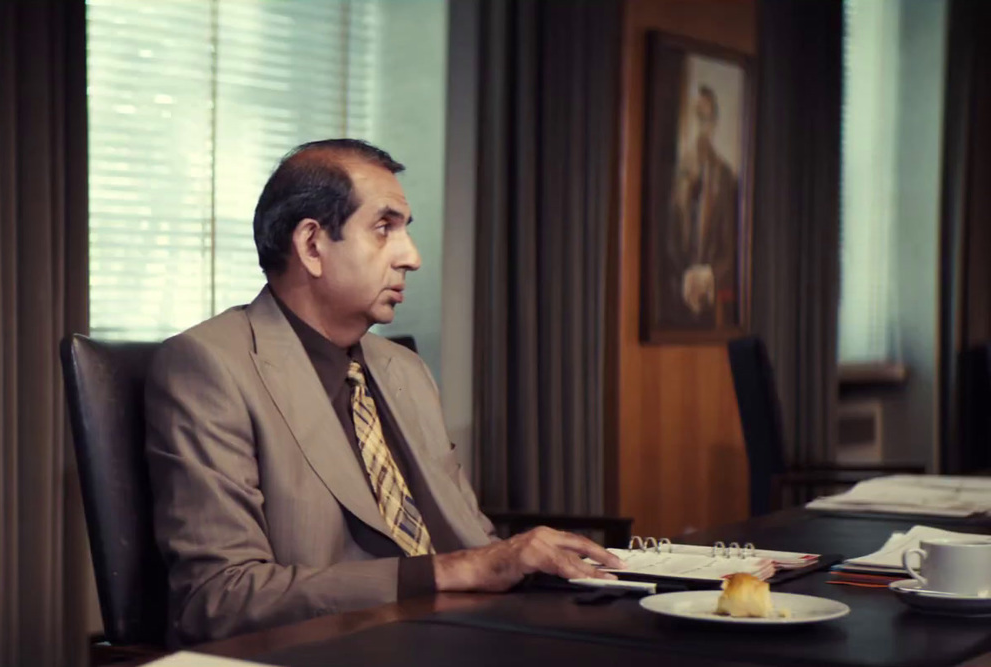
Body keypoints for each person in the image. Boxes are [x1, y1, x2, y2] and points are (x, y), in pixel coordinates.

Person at [144, 139, 624, 645]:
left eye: (405, 231)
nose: (411, 257)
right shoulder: (209, 365)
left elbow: (476, 543)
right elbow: (219, 598)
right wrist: (447, 571)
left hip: (469, 635)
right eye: (383, 228)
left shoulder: (405, 369)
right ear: (312, 246)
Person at [666, 85, 739, 324]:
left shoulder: (726, 178)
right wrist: (684, 278)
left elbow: (731, 252)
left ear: (714, 124)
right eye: (697, 118)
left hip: (712, 304)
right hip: (675, 301)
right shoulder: (677, 174)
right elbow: (667, 245)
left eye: (706, 119)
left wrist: (707, 276)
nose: (701, 128)